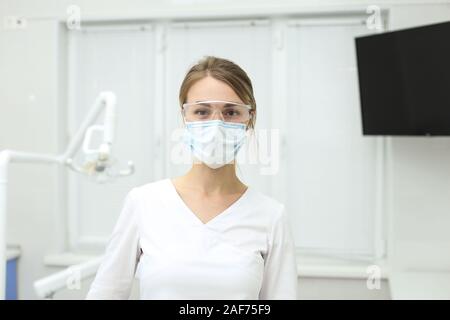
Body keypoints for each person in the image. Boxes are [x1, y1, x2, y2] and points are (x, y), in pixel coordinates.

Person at [86, 56, 298, 300]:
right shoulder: (143, 203)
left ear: (249, 118)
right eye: (202, 111)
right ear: (185, 117)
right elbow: (105, 294)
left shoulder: (271, 217)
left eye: (231, 112)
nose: (216, 124)